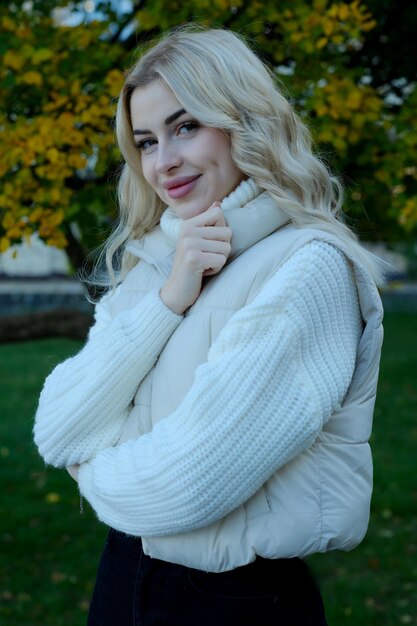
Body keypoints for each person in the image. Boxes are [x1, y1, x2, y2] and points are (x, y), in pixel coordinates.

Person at [33, 25, 384, 626]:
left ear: (242, 121)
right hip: (123, 574)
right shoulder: (158, 261)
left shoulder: (309, 268)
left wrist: (88, 469)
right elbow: (56, 424)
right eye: (145, 142)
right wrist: (170, 298)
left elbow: (187, 481)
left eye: (185, 127)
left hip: (234, 600)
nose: (163, 162)